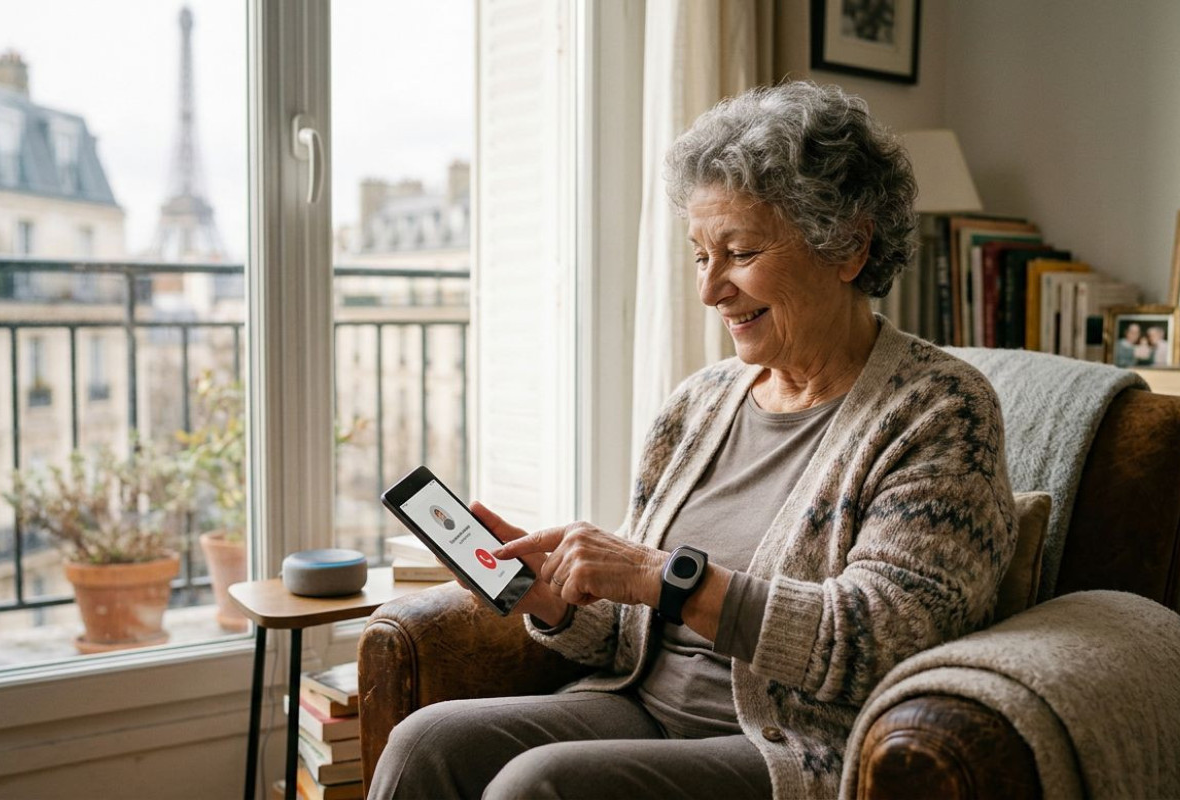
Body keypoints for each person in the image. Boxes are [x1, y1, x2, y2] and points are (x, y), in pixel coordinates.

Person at [368, 82, 1017, 800]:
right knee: (425, 742)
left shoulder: (939, 411)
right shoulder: (699, 405)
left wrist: (663, 575)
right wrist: (548, 600)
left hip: (787, 748)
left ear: (849, 248)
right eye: (701, 255)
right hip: (638, 709)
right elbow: (626, 636)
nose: (712, 290)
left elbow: (885, 638)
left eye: (739, 252)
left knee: (538, 786)